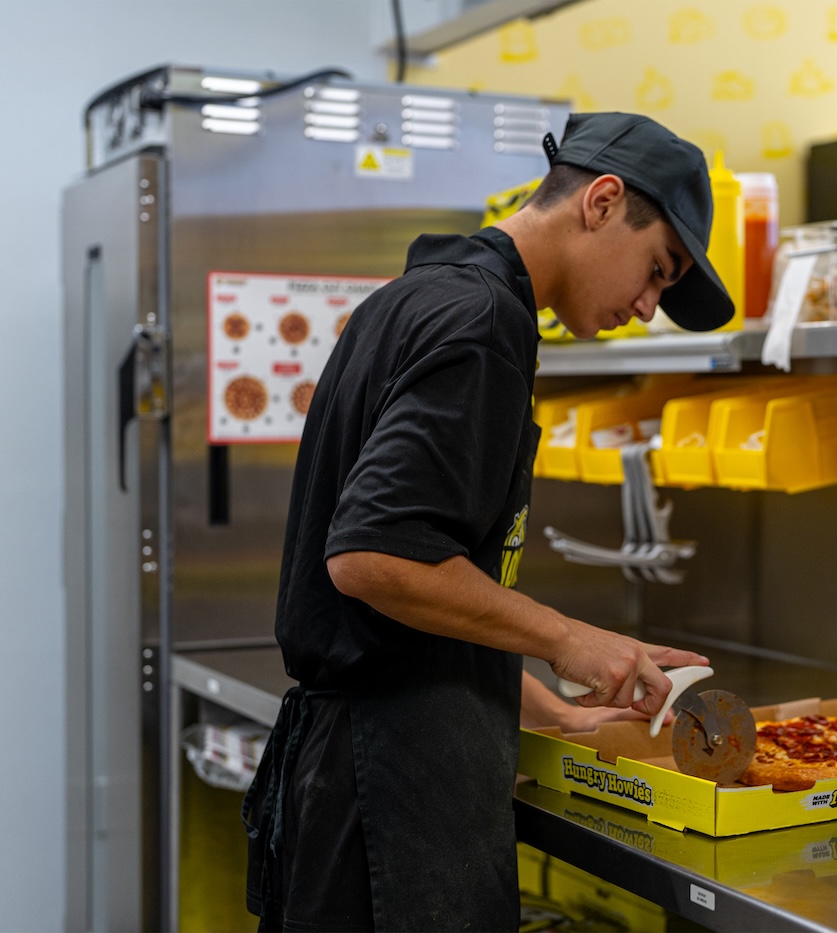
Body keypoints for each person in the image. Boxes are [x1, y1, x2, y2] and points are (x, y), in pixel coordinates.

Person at [243, 112, 734, 931]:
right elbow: (373, 557)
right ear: (603, 202)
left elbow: (428, 585)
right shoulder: (483, 323)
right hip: (389, 785)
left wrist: (556, 710)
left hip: (371, 762)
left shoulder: (424, 295)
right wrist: (572, 639)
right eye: (657, 270)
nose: (648, 307)